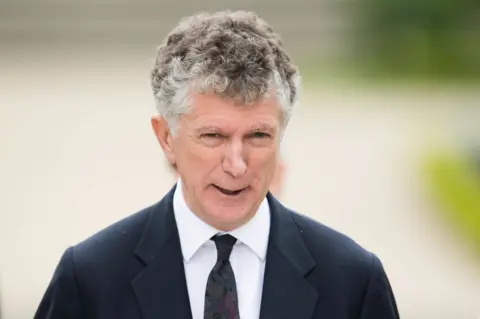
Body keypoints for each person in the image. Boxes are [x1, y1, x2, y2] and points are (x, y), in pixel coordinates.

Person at [34, 11, 400, 319]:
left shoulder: (353, 283)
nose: (237, 165)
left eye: (258, 136)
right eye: (213, 136)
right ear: (165, 138)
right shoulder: (90, 280)